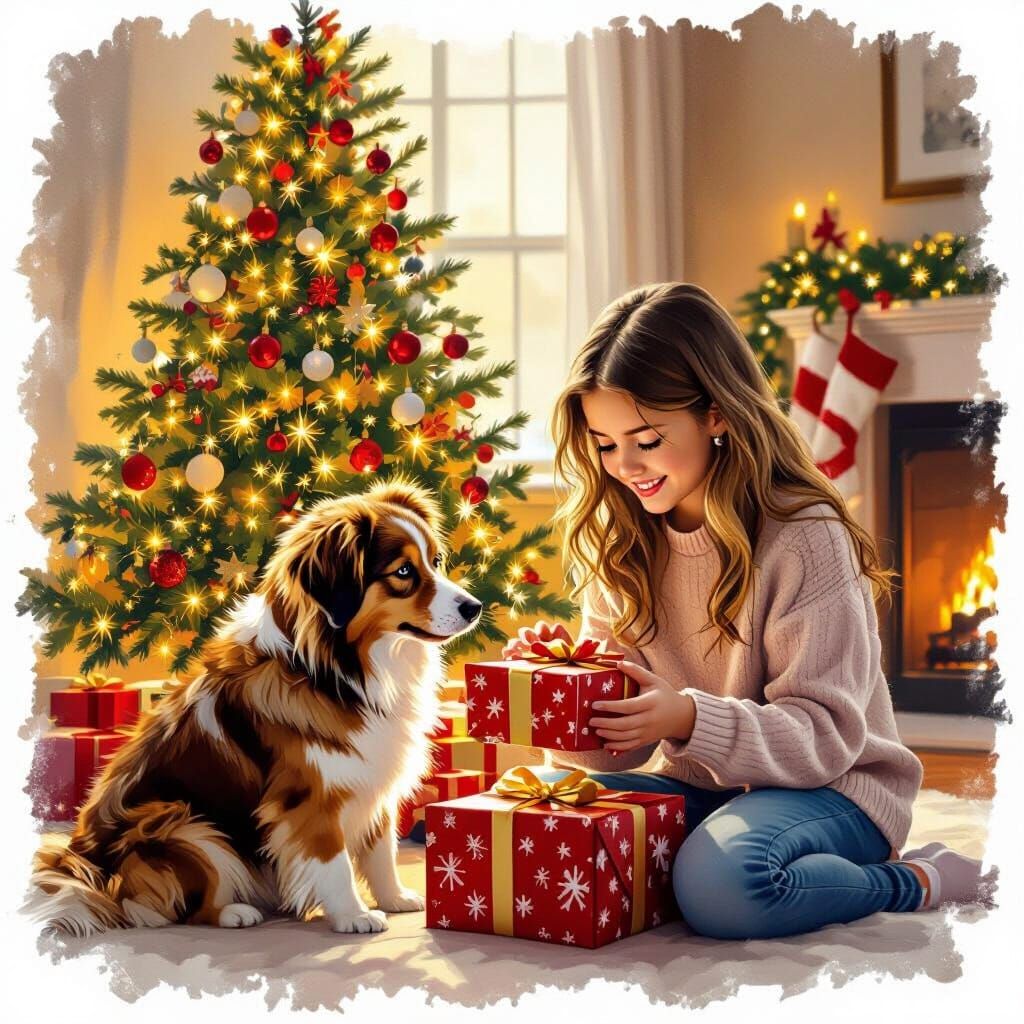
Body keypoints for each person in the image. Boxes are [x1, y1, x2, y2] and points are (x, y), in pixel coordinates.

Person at [504, 282, 998, 941]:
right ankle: (713, 862)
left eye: (647, 439)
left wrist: (686, 714)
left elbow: (825, 740)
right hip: (711, 792)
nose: (625, 466)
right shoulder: (619, 539)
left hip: (837, 791)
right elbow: (616, 759)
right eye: (604, 443)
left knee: (725, 884)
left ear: (716, 415)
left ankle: (917, 880)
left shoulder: (804, 535)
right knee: (533, 816)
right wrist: (565, 688)